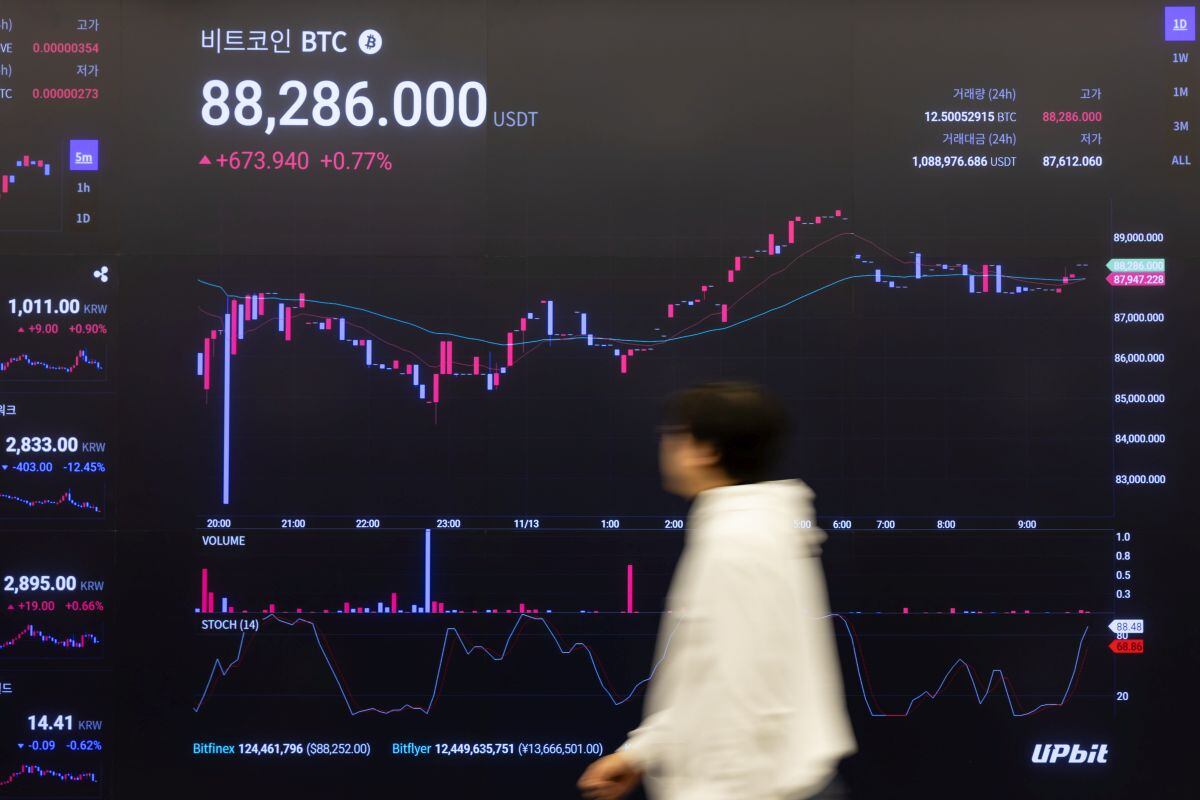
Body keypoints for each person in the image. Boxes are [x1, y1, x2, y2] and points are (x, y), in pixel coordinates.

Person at [578, 382, 856, 800]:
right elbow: (707, 675)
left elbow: (741, 696)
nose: (665, 445)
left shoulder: (738, 543)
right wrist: (643, 753)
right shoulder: (759, 527)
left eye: (675, 434)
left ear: (705, 449)